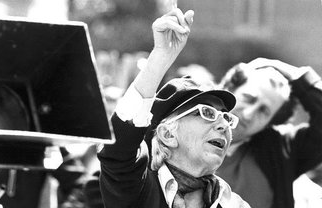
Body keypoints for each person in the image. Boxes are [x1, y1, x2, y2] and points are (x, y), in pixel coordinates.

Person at [97, 8, 250, 208]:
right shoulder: (138, 187)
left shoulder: (234, 205)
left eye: (226, 118)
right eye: (208, 113)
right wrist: (161, 56)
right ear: (168, 134)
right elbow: (119, 144)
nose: (223, 125)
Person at [216, 58, 322, 208]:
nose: (248, 114)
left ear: (272, 122)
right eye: (248, 99)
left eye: (264, 111)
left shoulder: (281, 150)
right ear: (229, 89)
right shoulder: (185, 128)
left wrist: (296, 76)